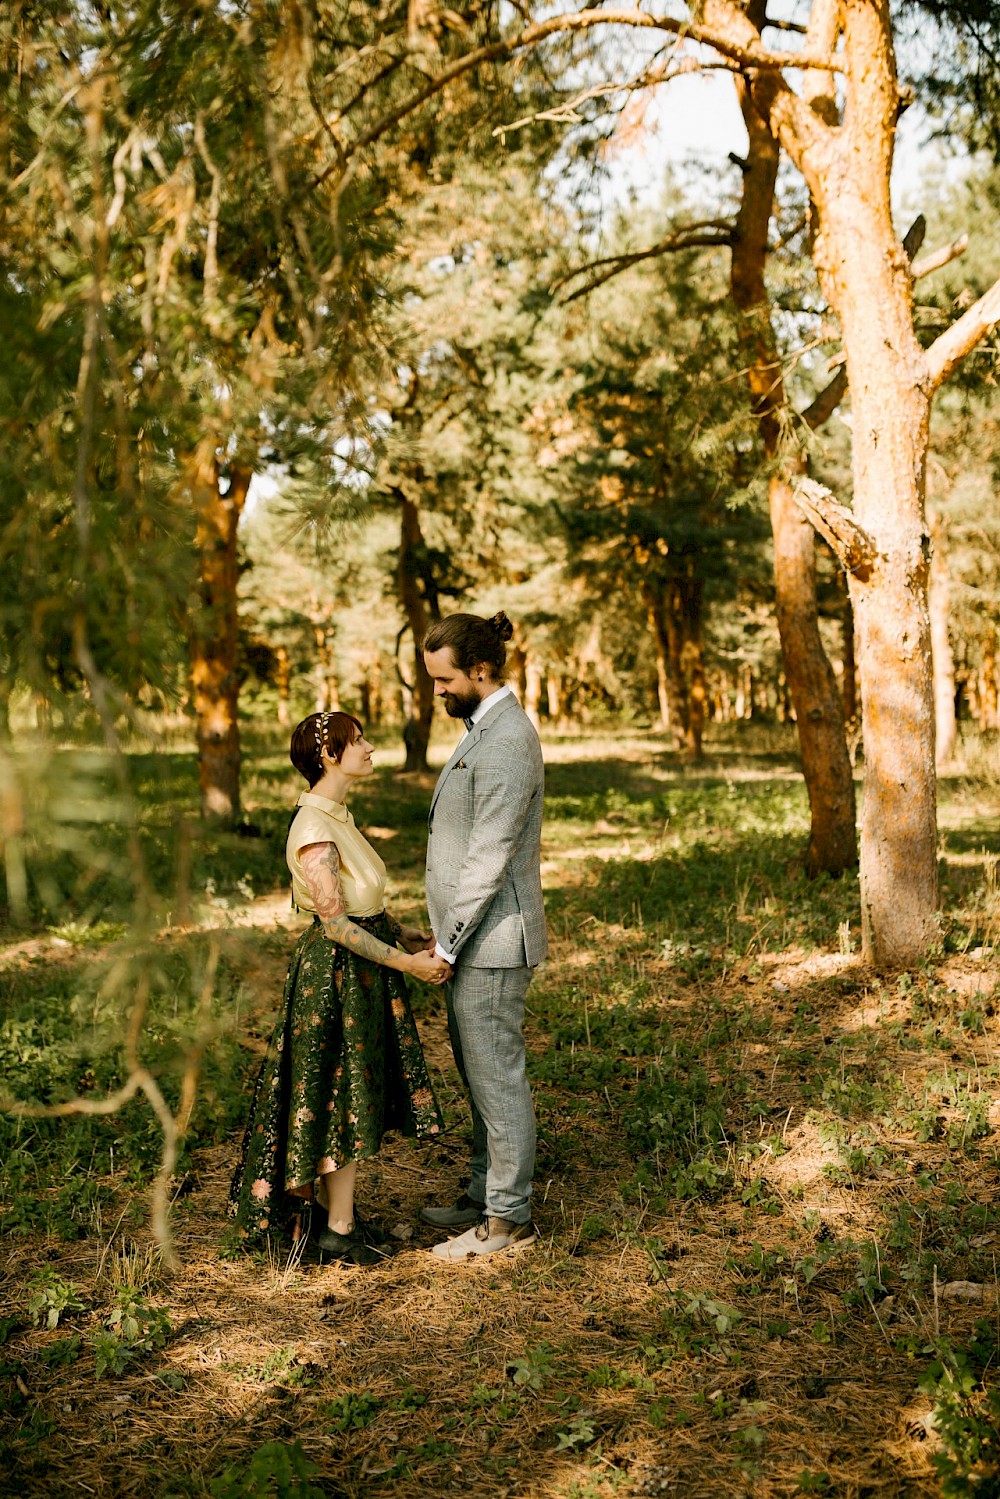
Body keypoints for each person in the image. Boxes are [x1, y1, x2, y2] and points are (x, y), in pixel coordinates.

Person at [229, 711, 449, 1266]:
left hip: (357, 970)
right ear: (330, 755)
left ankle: (338, 1221)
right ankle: (338, 1230)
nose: (371, 748)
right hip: (334, 977)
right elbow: (335, 924)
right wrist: (408, 962)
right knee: (337, 1098)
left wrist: (408, 936)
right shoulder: (314, 830)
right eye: (359, 742)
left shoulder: (337, 817)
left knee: (347, 1096)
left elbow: (362, 905)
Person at [420, 611, 547, 1260]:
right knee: (478, 1075)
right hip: (470, 938)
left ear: (479, 669)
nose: (436, 691)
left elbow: (489, 855)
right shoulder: (482, 728)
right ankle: (483, 1189)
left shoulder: (504, 741)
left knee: (497, 1077)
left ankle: (506, 1221)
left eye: (444, 680)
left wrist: (447, 943)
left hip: (492, 942)